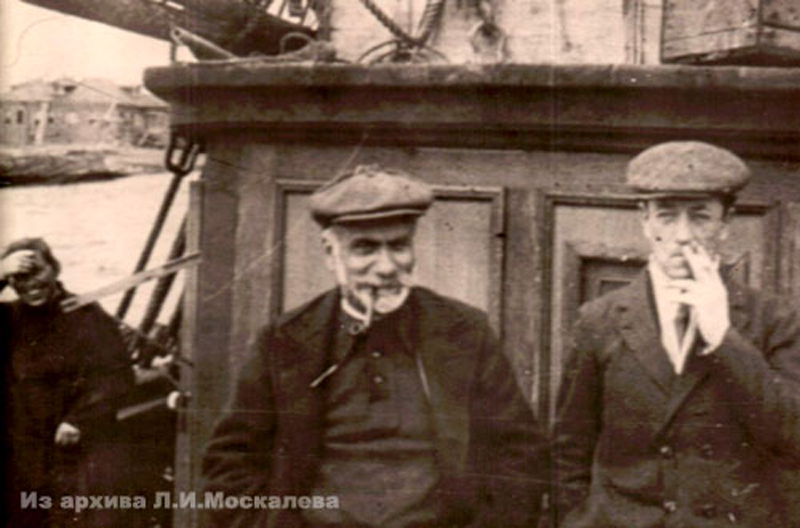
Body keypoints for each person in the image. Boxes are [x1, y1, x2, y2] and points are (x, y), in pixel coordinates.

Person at [203, 165, 549, 527]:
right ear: (330, 253)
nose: (386, 267)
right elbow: (228, 466)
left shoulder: (465, 332)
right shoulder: (283, 341)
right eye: (365, 248)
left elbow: (519, 456)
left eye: (398, 246)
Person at [552, 141, 800, 527]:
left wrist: (723, 338)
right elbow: (570, 449)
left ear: (726, 223)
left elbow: (793, 434)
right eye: (667, 216)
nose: (683, 235)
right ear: (645, 220)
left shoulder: (775, 319)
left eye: (700, 217)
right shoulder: (599, 320)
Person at [0, 238, 135, 527]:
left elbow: (117, 375)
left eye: (37, 271)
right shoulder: (9, 318)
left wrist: (79, 420)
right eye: (19, 277)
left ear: (55, 269)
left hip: (76, 452)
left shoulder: (85, 315)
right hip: (23, 455)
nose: (31, 284)